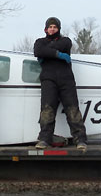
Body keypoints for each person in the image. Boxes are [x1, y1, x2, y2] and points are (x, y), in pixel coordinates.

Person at [33, 17, 87, 150]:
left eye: (55, 27)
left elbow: (43, 51)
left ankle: (80, 139)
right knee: (47, 110)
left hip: (66, 80)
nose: (52, 29)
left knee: (73, 109)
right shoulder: (39, 41)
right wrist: (58, 54)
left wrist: (47, 53)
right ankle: (45, 139)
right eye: (50, 27)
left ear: (58, 29)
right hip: (48, 79)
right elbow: (37, 51)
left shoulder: (65, 41)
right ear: (46, 29)